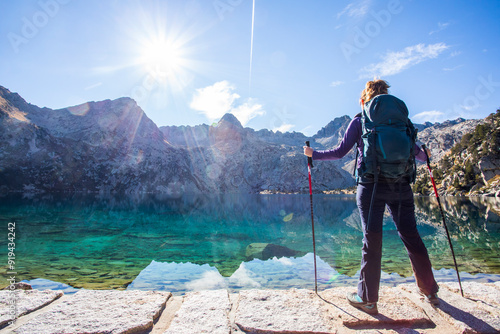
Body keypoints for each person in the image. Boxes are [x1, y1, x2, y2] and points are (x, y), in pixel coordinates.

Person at [303, 79, 439, 315]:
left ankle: (367, 298)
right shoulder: (402, 123)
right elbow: (419, 155)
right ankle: (429, 290)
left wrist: (313, 154)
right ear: (386, 96)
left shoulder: (361, 120)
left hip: (371, 186)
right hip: (401, 185)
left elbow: (339, 153)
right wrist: (426, 155)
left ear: (365, 98)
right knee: (411, 235)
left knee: (372, 240)